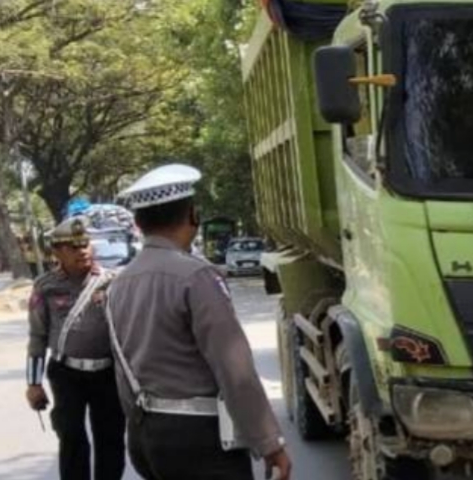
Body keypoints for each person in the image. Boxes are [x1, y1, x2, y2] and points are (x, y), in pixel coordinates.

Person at [107, 164, 291, 480]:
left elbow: (122, 369)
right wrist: (268, 441)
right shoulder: (196, 276)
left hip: (146, 434)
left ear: (138, 223)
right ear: (193, 216)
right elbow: (234, 369)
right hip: (200, 440)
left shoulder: (119, 283)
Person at [25, 216, 126, 480]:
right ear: (57, 251)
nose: (83, 251)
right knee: (71, 439)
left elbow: (128, 333)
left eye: (85, 245)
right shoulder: (45, 286)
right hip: (66, 373)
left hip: (107, 374)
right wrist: (33, 384)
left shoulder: (112, 281)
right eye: (73, 246)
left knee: (111, 439)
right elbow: (37, 336)